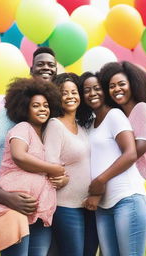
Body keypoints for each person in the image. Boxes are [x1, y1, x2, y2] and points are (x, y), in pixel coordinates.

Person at [0, 47, 64, 256]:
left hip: (31, 204)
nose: (47, 68)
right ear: (31, 70)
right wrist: (7, 197)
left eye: (51, 65)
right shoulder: (11, 116)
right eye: (41, 64)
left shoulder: (48, 121)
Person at [99, 61, 146, 256]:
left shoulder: (142, 109)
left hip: (137, 186)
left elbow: (136, 150)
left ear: (133, 84)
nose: (116, 89)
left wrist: (102, 173)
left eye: (121, 84)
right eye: (111, 86)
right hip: (118, 189)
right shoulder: (118, 115)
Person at [79, 71, 146, 256]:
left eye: (97, 88)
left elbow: (130, 154)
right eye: (87, 90)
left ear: (104, 91)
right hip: (102, 207)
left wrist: (100, 181)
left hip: (128, 200)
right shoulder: (90, 124)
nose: (92, 93)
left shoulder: (115, 116)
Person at [43, 73, 99, 256]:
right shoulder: (54, 125)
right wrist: (63, 177)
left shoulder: (82, 127)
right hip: (66, 206)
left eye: (74, 92)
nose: (70, 96)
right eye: (64, 92)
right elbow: (49, 164)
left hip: (88, 205)